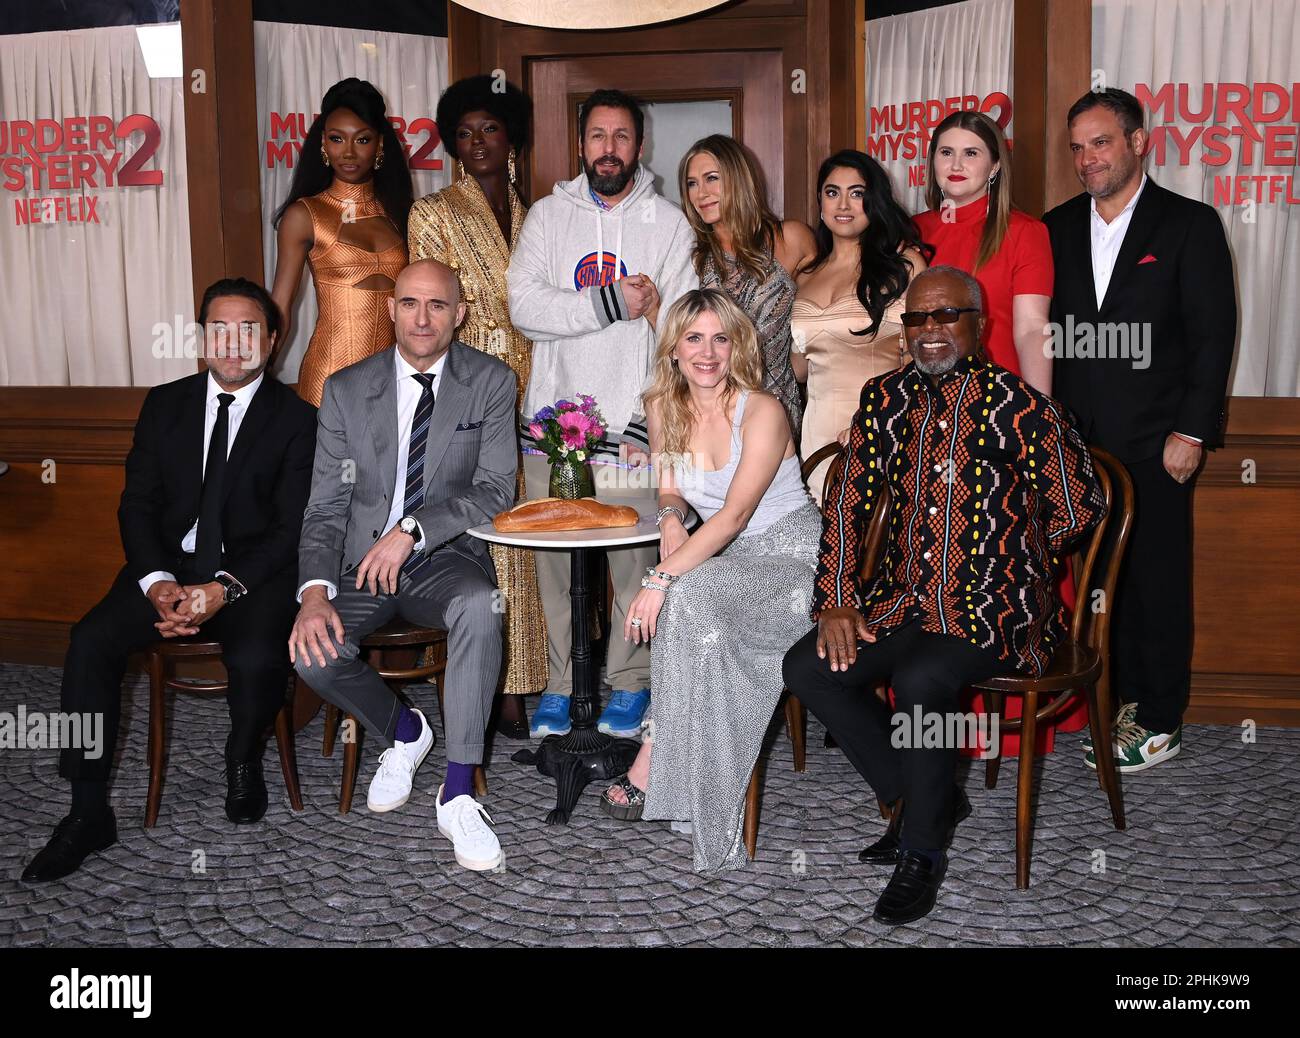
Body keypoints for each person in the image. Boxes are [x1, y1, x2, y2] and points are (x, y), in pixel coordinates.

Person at [782, 266, 1105, 924]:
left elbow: (1079, 508)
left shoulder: (1023, 409)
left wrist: (1015, 554)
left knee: (923, 674)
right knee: (808, 668)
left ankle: (921, 851)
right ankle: (923, 795)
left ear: (977, 326)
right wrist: (839, 599)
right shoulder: (883, 400)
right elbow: (848, 503)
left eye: (946, 316)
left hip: (997, 612)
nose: (930, 331)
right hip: (905, 604)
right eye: (918, 319)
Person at [21, 279, 318, 883]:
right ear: (202, 336)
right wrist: (158, 583)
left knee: (259, 654)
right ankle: (86, 810)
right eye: (218, 328)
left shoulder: (298, 418)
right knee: (89, 641)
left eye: (248, 329)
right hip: (167, 567)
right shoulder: (165, 403)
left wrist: (221, 590)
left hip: (250, 574)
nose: (232, 343)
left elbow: (290, 530)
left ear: (273, 337)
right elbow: (137, 505)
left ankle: (242, 757)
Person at [289, 259, 516, 872]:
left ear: (459, 315)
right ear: (390, 309)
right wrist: (314, 593)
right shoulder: (344, 388)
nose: (422, 318)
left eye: (438, 305)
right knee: (311, 648)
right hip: (358, 564)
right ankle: (406, 731)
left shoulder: (490, 381)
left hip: (443, 558)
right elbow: (326, 505)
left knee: (479, 605)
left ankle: (460, 787)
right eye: (410, 303)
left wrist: (412, 531)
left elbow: (496, 488)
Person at [1043, 88, 1236, 774]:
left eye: (1100, 142)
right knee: (1097, 582)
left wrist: (1193, 432)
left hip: (1158, 442)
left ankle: (1159, 719)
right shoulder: (1055, 227)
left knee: (1156, 580)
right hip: (1075, 446)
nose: (1087, 158)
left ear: (1137, 142)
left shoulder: (1189, 224)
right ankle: (1110, 701)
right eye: (1077, 147)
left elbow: (1213, 338)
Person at [598, 288, 821, 873]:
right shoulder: (662, 405)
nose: (707, 352)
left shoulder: (763, 410)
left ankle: (653, 752)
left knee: (685, 596)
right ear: (673, 348)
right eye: (693, 338)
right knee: (696, 611)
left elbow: (735, 517)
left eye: (720, 338)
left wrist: (658, 578)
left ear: (737, 346)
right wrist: (670, 518)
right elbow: (672, 485)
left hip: (790, 559)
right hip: (729, 558)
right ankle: (676, 766)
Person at [506, 88, 697, 741]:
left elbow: (684, 332)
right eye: (597, 136)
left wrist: (653, 416)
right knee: (553, 565)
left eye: (622, 137)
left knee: (631, 566)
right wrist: (612, 300)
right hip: (554, 431)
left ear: (640, 147)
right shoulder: (545, 218)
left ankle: (630, 682)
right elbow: (525, 308)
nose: (609, 149)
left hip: (631, 430)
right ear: (580, 145)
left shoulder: (668, 224)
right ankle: (561, 686)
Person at [408, 74, 544, 737]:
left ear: (510, 135)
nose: (478, 142)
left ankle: (524, 681)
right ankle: (491, 689)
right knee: (483, 535)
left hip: (540, 388)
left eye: (489, 128)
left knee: (527, 534)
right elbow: (430, 311)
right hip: (470, 385)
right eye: (464, 133)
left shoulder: (537, 213)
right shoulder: (433, 211)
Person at [791, 150, 929, 502]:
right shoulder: (805, 273)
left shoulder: (904, 265)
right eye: (832, 191)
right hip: (815, 437)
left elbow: (923, 360)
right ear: (820, 201)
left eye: (857, 193)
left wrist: (874, 422)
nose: (844, 204)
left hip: (882, 430)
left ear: (875, 200)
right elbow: (800, 370)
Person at [271, 77, 413, 407]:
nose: (348, 152)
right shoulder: (305, 215)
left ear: (379, 145)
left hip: (396, 380)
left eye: (362, 139)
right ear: (323, 144)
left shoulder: (403, 214)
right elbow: (281, 306)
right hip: (329, 376)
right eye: (337, 139)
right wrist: (257, 377)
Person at [681, 134, 815, 441]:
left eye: (711, 178)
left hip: (780, 412)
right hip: (713, 417)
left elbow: (822, 313)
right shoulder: (694, 258)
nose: (701, 193)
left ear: (738, 178)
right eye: (692, 183)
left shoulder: (792, 239)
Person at [914, 111, 1053, 393]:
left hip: (999, 398)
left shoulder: (1025, 232)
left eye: (971, 153)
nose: (956, 164)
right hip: (923, 399)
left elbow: (1032, 329)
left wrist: (1040, 411)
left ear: (994, 166)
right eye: (946, 152)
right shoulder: (910, 231)